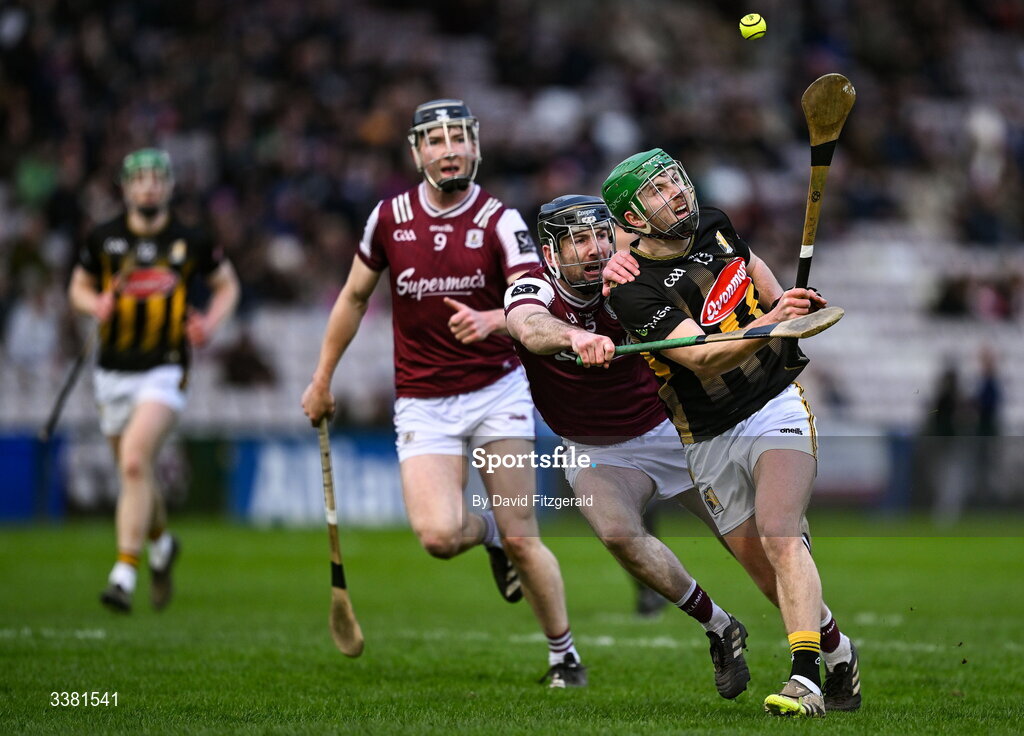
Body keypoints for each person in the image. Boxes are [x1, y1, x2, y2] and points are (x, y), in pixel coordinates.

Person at [301, 100, 585, 687]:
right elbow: (354, 299)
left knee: (523, 534)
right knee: (436, 536)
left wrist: (492, 319)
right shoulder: (388, 219)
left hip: (496, 391)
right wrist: (322, 377)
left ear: (476, 146)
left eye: (459, 136)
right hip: (424, 401)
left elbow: (533, 302)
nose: (449, 148)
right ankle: (488, 540)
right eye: (435, 140)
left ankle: (565, 657)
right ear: (417, 152)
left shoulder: (502, 221)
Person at [601, 149, 859, 716]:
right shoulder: (630, 290)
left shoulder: (714, 223)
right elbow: (705, 358)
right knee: (767, 577)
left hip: (774, 404)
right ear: (634, 219)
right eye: (658, 192)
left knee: (780, 532)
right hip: (708, 434)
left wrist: (778, 301)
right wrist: (774, 322)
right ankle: (839, 653)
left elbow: (750, 265)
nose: (677, 195)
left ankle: (805, 680)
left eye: (675, 182)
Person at [505, 194, 752, 699]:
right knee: (618, 534)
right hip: (597, 447)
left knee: (755, 545)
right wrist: (574, 337)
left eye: (600, 235)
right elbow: (529, 328)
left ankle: (826, 646)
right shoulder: (533, 287)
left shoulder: (635, 270)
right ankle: (719, 626)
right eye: (578, 240)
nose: (594, 249)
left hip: (671, 428)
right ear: (550, 254)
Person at [68, 148, 240, 613]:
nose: (147, 187)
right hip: (111, 371)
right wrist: (94, 305)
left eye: (155, 179)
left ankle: (124, 573)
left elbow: (229, 286)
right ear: (125, 187)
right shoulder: (104, 239)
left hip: (164, 368)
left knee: (132, 463)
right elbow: (77, 288)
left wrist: (210, 322)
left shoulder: (191, 239)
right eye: (138, 179)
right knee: (137, 473)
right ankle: (162, 545)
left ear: (168, 186)